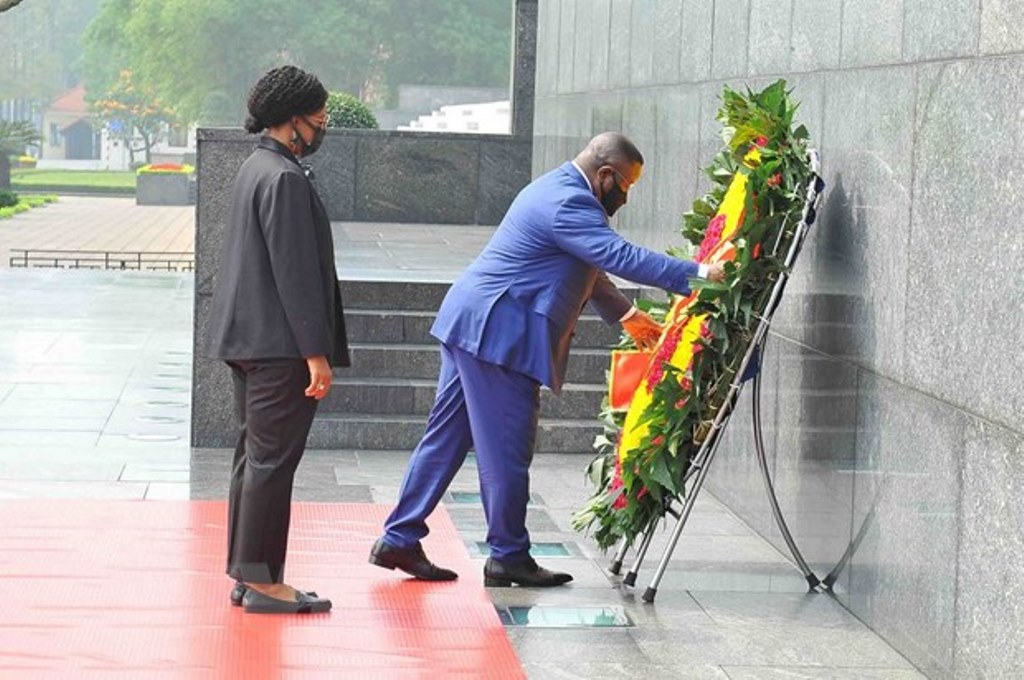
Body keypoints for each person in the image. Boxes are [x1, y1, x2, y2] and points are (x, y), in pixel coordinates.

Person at [370, 132, 725, 587]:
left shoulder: (557, 188)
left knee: (445, 440)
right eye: (626, 186)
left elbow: (587, 265)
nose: (625, 197)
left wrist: (627, 314)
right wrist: (701, 274)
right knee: (506, 450)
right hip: (499, 335)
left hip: (474, 323)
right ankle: (508, 556)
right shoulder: (569, 202)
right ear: (605, 175)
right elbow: (617, 255)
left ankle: (399, 538)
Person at [205, 65, 348, 614]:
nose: (322, 126)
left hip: (250, 341)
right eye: (319, 118)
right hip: (279, 347)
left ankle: (248, 574)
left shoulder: (256, 167)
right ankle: (264, 584)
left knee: (254, 459)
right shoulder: (284, 178)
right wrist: (316, 353)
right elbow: (296, 273)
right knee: (270, 463)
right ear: (293, 122)